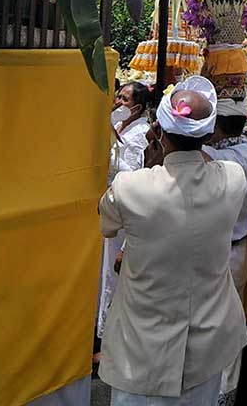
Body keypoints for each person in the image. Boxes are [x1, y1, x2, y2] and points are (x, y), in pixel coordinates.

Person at [98, 76, 247, 406]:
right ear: (209, 135)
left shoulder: (130, 187)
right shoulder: (233, 179)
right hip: (205, 350)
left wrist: (157, 161)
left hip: (141, 353)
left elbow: (106, 225)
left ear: (158, 131)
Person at [202, 97, 247, 406]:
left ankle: (216, 392)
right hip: (237, 253)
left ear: (216, 129)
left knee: (210, 325)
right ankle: (225, 391)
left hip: (219, 252)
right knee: (228, 324)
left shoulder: (213, 156)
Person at [97, 82, 152, 340]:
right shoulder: (121, 125)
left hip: (123, 212)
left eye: (125, 99)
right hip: (110, 207)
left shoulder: (139, 134)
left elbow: (130, 177)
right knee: (104, 274)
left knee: (112, 276)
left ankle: (109, 335)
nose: (118, 102)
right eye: (118, 96)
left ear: (138, 107)